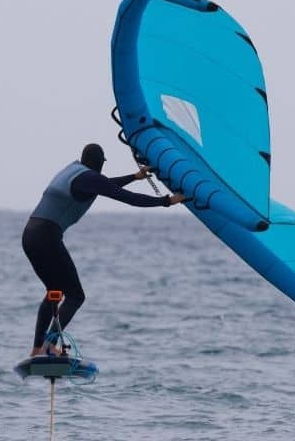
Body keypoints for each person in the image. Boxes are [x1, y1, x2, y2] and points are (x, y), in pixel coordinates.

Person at [23, 143, 185, 357]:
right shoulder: (90, 178)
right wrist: (167, 201)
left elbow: (104, 185)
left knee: (54, 292)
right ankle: (49, 345)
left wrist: (135, 176)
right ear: (100, 163)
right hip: (47, 236)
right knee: (75, 296)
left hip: (30, 235)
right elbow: (126, 197)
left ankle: (37, 349)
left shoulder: (73, 171)